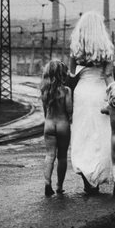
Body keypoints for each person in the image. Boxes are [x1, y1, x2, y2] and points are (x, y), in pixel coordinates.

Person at [69, 11, 115, 195]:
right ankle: (97, 175)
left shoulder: (75, 47)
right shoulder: (106, 48)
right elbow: (109, 76)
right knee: (100, 136)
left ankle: (86, 177)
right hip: (99, 93)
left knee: (82, 134)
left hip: (81, 92)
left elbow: (71, 74)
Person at [40, 60, 73, 196]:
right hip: (62, 125)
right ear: (62, 74)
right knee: (62, 157)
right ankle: (59, 186)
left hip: (48, 125)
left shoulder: (44, 90)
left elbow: (44, 110)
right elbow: (69, 110)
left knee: (49, 156)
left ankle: (48, 183)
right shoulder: (66, 91)